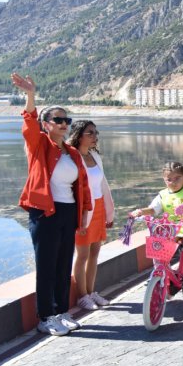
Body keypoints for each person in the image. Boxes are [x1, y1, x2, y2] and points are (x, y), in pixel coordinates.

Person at [11, 73, 91, 336]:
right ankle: (45, 316)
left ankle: (60, 312)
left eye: (66, 120)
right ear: (46, 124)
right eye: (58, 120)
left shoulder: (71, 153)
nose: (64, 124)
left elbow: (82, 186)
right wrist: (31, 95)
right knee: (46, 264)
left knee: (63, 263)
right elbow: (28, 125)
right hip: (45, 212)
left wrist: (83, 216)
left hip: (67, 212)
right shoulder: (39, 145)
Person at [130, 160, 183, 286]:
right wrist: (141, 211)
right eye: (169, 179)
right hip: (172, 230)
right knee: (157, 249)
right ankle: (160, 274)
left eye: (177, 178)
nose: (173, 182)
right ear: (164, 180)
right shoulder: (163, 195)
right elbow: (153, 209)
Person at [67, 120, 115, 311]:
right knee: (83, 254)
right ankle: (82, 296)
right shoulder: (72, 157)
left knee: (95, 252)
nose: (95, 137)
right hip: (83, 211)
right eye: (90, 133)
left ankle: (91, 291)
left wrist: (109, 212)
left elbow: (103, 184)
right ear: (79, 135)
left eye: (96, 133)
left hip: (98, 208)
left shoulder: (95, 155)